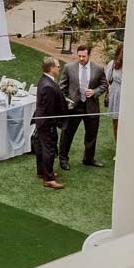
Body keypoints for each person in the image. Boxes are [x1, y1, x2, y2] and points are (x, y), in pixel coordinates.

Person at [60, 44, 107, 170]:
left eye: (84, 56)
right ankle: (63, 159)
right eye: (79, 56)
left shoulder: (98, 69)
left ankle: (88, 159)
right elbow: (62, 88)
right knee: (67, 134)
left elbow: (104, 85)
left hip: (91, 107)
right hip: (74, 107)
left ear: (89, 55)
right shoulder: (69, 67)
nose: (81, 58)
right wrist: (66, 102)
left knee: (91, 135)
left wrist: (95, 92)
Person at [33, 56, 66, 189]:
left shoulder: (45, 80)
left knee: (42, 148)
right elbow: (49, 110)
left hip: (41, 121)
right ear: (51, 68)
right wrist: (57, 123)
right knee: (49, 150)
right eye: (58, 66)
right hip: (47, 124)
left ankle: (42, 171)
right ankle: (48, 178)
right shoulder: (48, 86)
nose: (59, 68)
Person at [106, 42, 124, 140]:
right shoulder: (112, 64)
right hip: (116, 95)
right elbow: (107, 79)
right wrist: (110, 89)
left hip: (128, 96)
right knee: (116, 123)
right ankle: (117, 147)